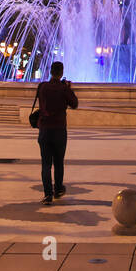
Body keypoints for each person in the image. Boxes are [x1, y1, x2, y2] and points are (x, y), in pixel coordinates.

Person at [35, 61, 78, 205]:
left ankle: (48, 194)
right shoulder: (63, 88)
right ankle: (58, 189)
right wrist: (68, 88)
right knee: (59, 162)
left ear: (50, 71)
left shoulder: (42, 87)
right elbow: (74, 104)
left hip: (44, 130)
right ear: (61, 72)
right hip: (59, 130)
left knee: (46, 164)